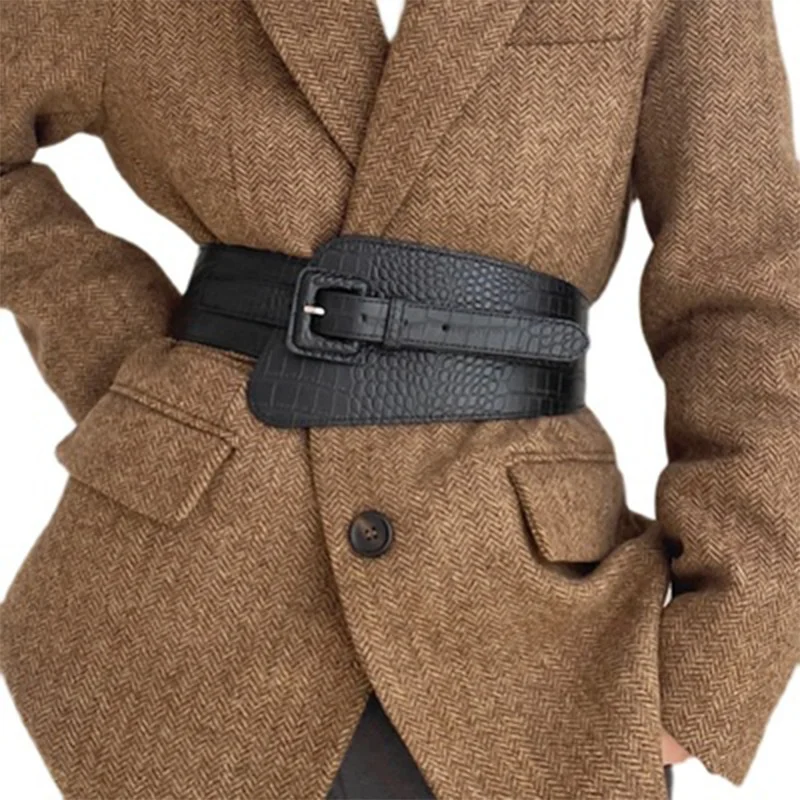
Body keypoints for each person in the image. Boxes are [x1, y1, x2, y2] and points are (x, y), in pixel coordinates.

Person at [0, 1, 797, 798]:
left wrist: (723, 655)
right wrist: (147, 382)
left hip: (539, 625)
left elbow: (747, 289)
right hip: (197, 605)